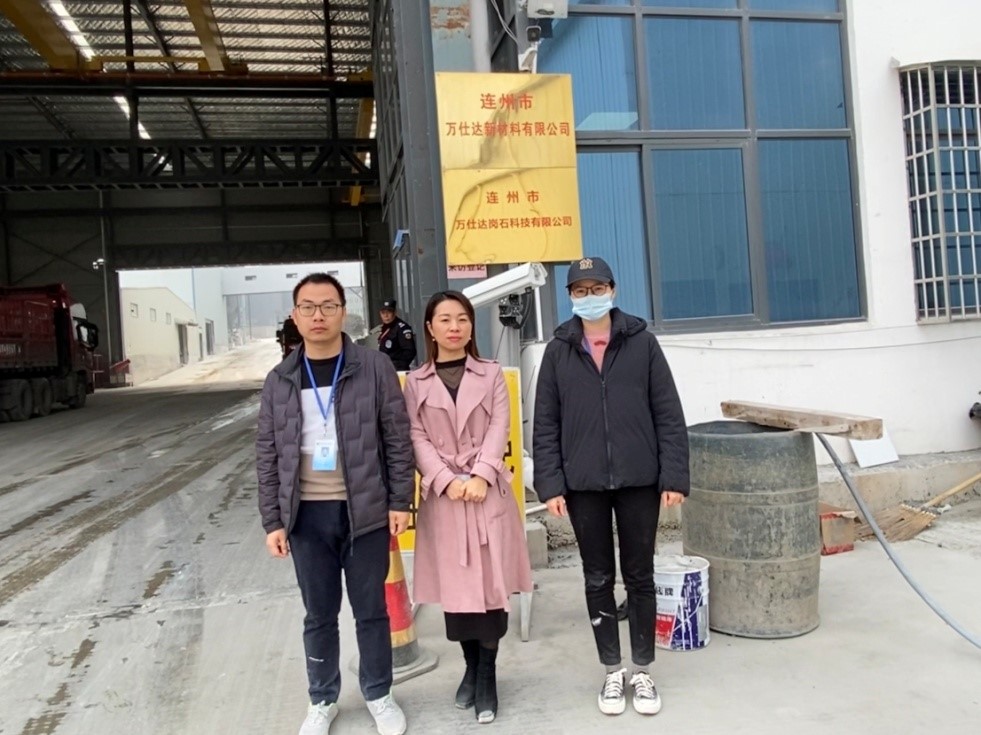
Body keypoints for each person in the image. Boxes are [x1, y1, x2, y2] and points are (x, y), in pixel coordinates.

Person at [256, 272, 414, 735]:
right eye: (308, 307)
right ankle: (322, 698)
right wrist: (273, 520)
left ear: (344, 312)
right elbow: (267, 453)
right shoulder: (280, 379)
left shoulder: (373, 367)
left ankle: (379, 693)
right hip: (306, 516)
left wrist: (400, 500)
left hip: (363, 510)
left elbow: (397, 437)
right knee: (319, 614)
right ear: (295, 315)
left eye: (328, 306)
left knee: (371, 611)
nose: (318, 315)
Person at [532, 256, 690, 718]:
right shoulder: (558, 350)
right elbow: (545, 424)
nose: (589, 297)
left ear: (613, 290)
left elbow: (668, 413)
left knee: (640, 575)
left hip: (639, 479)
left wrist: (673, 476)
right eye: (580, 290)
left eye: (596, 288)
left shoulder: (641, 343)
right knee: (597, 577)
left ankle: (642, 670)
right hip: (583, 485)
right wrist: (550, 484)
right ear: (569, 296)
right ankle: (612, 670)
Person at [402, 290, 533, 725]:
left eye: (462, 318)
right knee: (458, 596)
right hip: (446, 500)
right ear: (430, 327)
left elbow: (499, 425)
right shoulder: (416, 382)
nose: (454, 327)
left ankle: (488, 675)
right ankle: (470, 667)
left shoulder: (490, 373)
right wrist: (444, 479)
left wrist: (480, 475)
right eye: (444, 319)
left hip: (486, 493)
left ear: (471, 326)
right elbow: (415, 435)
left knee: (491, 590)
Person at [377, 299, 417, 371]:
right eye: (383, 313)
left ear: (395, 312)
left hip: (398, 371)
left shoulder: (402, 328)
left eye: (389, 312)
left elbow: (410, 351)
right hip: (385, 369)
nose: (386, 316)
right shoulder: (384, 328)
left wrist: (396, 366)